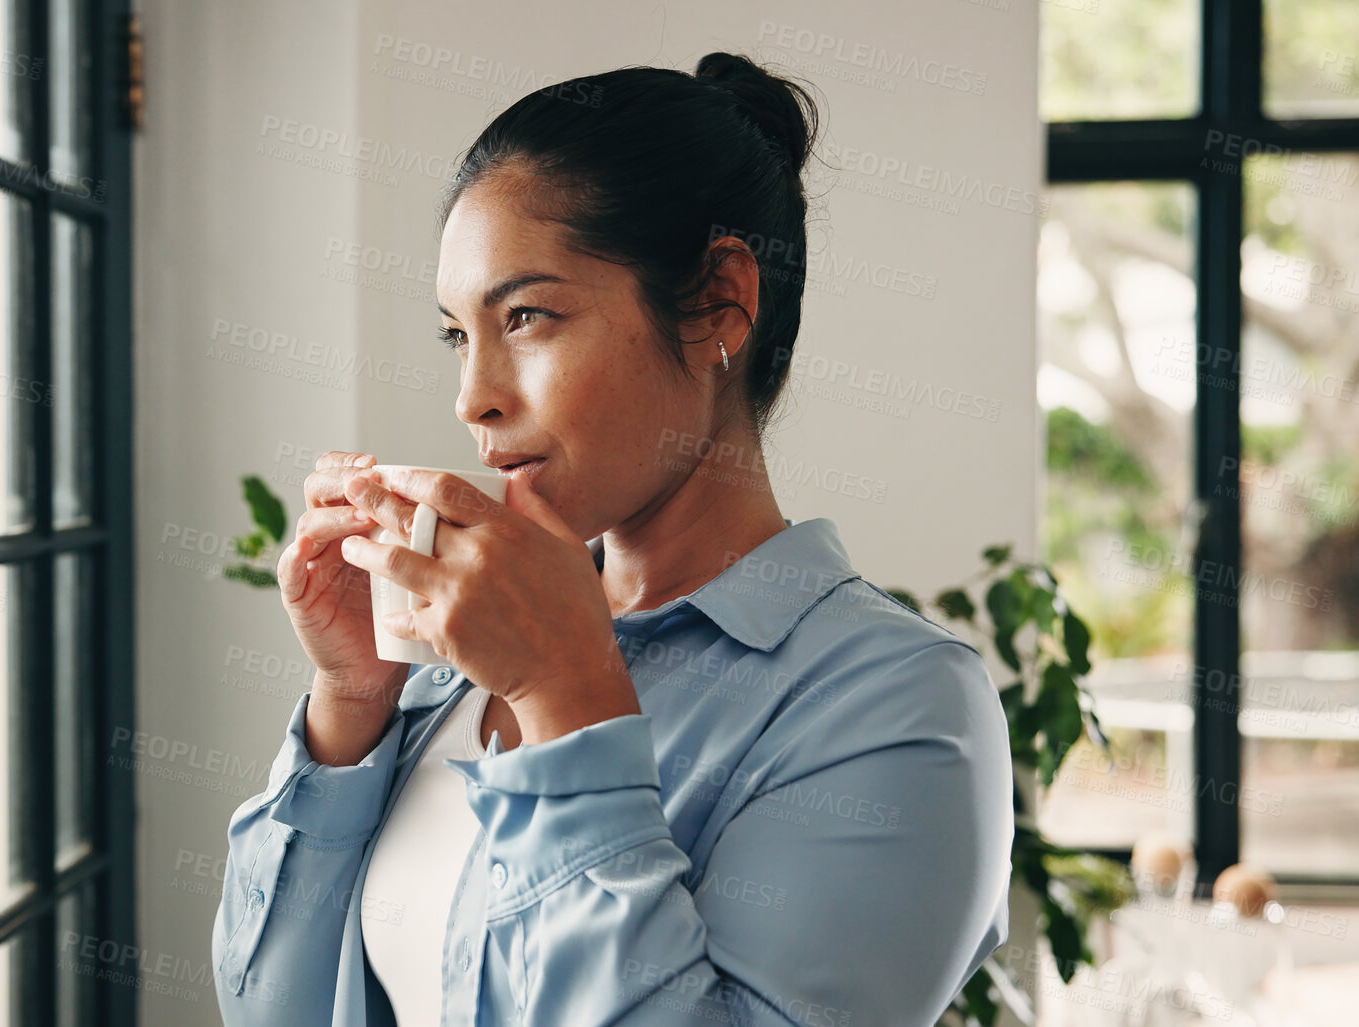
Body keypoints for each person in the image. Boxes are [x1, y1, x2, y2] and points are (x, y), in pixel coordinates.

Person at [212, 51, 1013, 1026]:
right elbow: (271, 1009)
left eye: (528, 317)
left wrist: (569, 699)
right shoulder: (454, 666)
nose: (474, 399)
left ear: (722, 301)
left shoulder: (902, 707)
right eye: (458, 335)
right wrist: (350, 704)